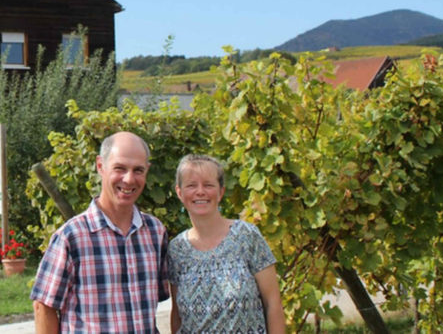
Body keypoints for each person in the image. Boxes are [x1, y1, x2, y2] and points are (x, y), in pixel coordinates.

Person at [31, 131, 170, 333]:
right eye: (120, 168)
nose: (129, 179)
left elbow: (151, 307)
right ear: (100, 166)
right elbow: (43, 307)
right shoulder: (72, 237)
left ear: (147, 171)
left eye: (138, 170)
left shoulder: (155, 233)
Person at [167, 154, 285, 333]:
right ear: (179, 192)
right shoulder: (176, 249)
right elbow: (177, 316)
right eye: (191, 185)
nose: (200, 191)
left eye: (208, 185)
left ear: (221, 192)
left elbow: (273, 303)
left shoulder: (246, 236)